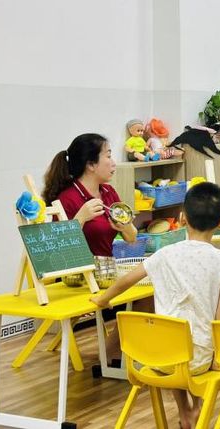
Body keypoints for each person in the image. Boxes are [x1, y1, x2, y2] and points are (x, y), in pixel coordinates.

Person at [90, 182, 220, 429]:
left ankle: (184, 411)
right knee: (194, 350)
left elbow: (127, 280)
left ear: (182, 219)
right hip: (198, 359)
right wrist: (219, 357)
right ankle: (197, 408)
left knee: (173, 339)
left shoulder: (164, 254)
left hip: (156, 356)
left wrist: (103, 299)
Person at [43, 133, 141, 360]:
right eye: (108, 156)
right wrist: (80, 218)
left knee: (151, 289)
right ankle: (113, 354)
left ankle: (123, 352)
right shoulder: (67, 199)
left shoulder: (108, 193)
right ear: (90, 165)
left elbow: (132, 238)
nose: (113, 163)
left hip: (106, 272)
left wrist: (125, 226)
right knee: (142, 295)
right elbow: (56, 249)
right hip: (77, 278)